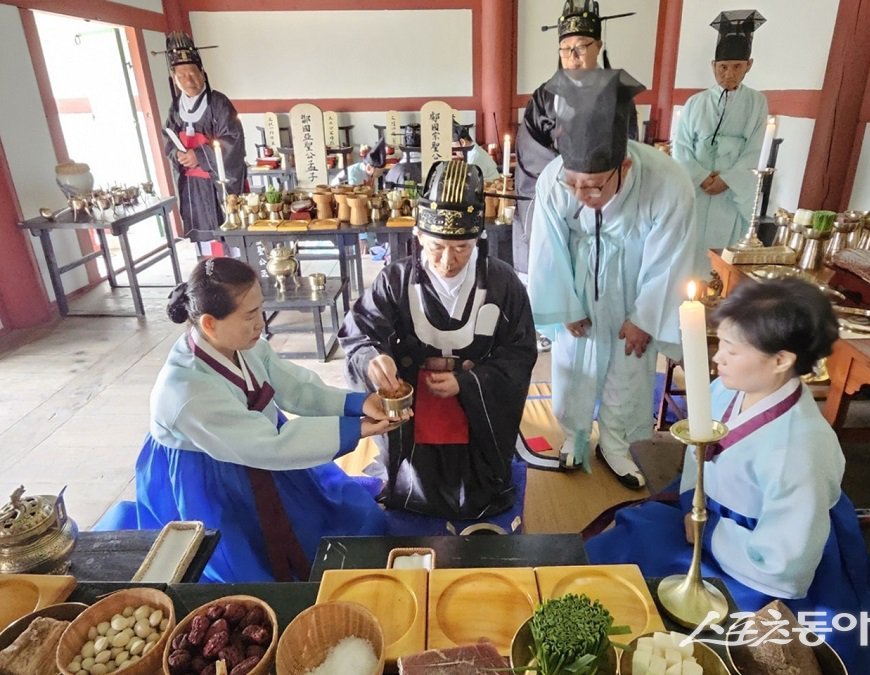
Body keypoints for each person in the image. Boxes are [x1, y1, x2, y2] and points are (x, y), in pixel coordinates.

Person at [585, 278, 870, 674]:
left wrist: (710, 532)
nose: (718, 360)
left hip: (761, 553)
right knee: (625, 543)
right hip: (706, 516)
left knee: (690, 619)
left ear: (782, 360)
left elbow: (787, 564)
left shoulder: (802, 449)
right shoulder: (730, 389)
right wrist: (694, 510)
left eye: (732, 350)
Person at [134, 257, 394, 583]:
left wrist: (358, 403)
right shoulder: (186, 393)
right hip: (209, 473)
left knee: (332, 517)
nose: (261, 323)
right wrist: (354, 429)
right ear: (209, 324)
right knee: (242, 563)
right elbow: (271, 446)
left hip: (261, 442)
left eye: (260, 310)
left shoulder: (242, 344)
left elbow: (293, 385)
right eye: (249, 316)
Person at [339, 160, 537, 520]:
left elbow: (519, 353)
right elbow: (360, 331)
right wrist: (372, 357)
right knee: (414, 481)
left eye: (461, 248)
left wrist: (469, 382)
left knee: (478, 488)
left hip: (478, 399)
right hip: (415, 395)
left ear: (478, 239)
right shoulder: (394, 280)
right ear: (418, 237)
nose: (448, 261)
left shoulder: (503, 283)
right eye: (436, 247)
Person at [528, 67, 699, 484]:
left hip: (637, 283)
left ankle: (619, 445)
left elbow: (670, 256)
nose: (580, 197)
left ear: (623, 165)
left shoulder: (667, 181)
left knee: (629, 366)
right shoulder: (555, 180)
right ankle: (574, 435)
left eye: (592, 187)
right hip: (579, 280)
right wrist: (564, 303)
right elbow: (547, 243)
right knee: (574, 362)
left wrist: (645, 317)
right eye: (573, 184)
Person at [513, 0, 637, 284]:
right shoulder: (544, 97)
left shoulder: (618, 96)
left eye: (581, 47)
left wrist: (598, 180)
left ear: (599, 45)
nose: (574, 57)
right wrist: (569, 179)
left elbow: (630, 150)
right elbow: (530, 154)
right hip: (555, 200)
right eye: (566, 49)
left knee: (601, 281)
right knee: (557, 278)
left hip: (605, 201)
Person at [673, 10, 768, 253]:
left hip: (730, 192)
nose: (729, 74)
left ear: (749, 65)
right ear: (713, 65)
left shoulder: (756, 103)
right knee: (688, 250)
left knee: (722, 253)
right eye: (723, 67)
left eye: (737, 66)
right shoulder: (695, 102)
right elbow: (682, 148)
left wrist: (726, 180)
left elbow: (753, 149)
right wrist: (702, 176)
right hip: (697, 189)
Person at [161, 32, 246, 252]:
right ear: (175, 80)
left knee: (227, 230)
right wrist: (178, 154)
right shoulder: (176, 107)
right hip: (192, 183)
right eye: (182, 76)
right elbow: (168, 138)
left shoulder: (218, 103)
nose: (188, 80)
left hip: (217, 180)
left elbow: (233, 140)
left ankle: (232, 270)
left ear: (203, 74)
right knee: (203, 236)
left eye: (192, 73)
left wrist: (199, 155)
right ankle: (208, 271)